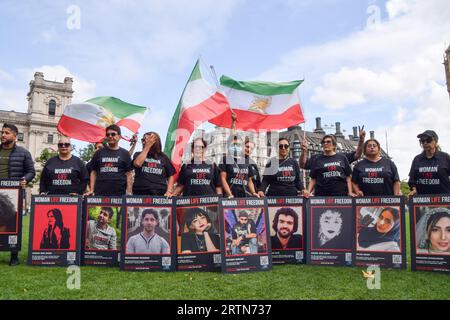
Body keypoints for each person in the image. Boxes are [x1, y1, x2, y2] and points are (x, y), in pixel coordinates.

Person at [0, 123, 35, 266]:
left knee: (14, 222)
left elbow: (31, 171)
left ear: (15, 136)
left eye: (7, 133)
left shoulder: (24, 152)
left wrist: (25, 179)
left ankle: (14, 255)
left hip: (14, 193)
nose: (3, 135)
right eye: (2, 132)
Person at [85, 125, 133, 196]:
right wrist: (91, 190)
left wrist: (129, 192)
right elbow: (93, 172)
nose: (110, 136)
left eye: (113, 134)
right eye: (108, 134)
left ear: (119, 137)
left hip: (119, 195)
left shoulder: (125, 153)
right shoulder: (98, 153)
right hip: (100, 193)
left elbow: (129, 174)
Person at [219, 112, 259, 198]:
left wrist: (253, 192)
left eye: (238, 145)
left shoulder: (247, 161)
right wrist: (229, 194)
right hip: (231, 196)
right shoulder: (226, 159)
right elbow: (223, 178)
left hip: (244, 196)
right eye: (234, 145)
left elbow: (249, 180)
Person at [300, 125, 365, 169]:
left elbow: (357, 155)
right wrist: (304, 151)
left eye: (328, 142)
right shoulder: (316, 158)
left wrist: (361, 140)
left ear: (334, 145)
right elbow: (303, 165)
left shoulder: (343, 157)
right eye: (324, 142)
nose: (325, 143)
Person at [132, 132, 176, 196]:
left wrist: (169, 191)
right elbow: (137, 164)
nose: (143, 142)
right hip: (140, 193)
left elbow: (170, 175)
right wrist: (147, 147)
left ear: (155, 141)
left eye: (145, 140)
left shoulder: (163, 157)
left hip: (160, 194)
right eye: (142, 140)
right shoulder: (138, 154)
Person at [408, 130, 450, 196]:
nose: (425, 143)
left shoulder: (445, 157)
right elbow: (412, 180)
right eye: (422, 141)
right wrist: (414, 189)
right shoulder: (417, 159)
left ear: (436, 142)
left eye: (428, 140)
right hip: (422, 201)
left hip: (443, 200)